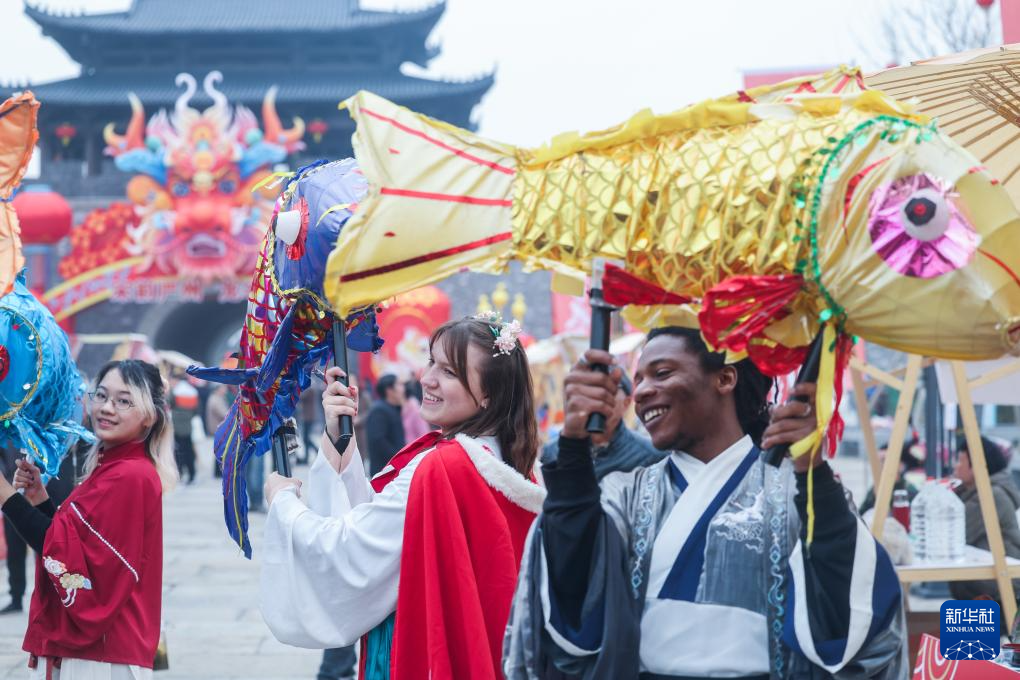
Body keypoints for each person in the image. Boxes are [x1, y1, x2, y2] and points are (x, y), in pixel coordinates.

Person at [504, 326, 906, 679]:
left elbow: (850, 609)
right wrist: (574, 444)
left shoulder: (794, 489)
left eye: (662, 373)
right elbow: (572, 580)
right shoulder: (625, 495)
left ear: (725, 378)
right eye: (638, 379)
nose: (640, 392)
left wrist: (812, 471)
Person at [260, 315, 544, 679]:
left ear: (490, 393)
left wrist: (284, 502)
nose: (426, 379)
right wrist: (339, 436)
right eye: (431, 362)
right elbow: (383, 530)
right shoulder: (513, 463)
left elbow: (350, 553)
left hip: (422, 651)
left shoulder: (441, 468)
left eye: (449, 372)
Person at [0, 359, 176, 679]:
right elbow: (71, 545)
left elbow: (65, 555)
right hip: (99, 652)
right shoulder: (114, 467)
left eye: (123, 401)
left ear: (149, 416)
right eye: (102, 395)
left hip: (102, 656)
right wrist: (40, 499)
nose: (107, 408)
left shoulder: (129, 476)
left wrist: (4, 493)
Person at [541, 373, 664, 479]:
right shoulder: (553, 452)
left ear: (626, 403)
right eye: (589, 390)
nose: (596, 400)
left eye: (607, 391)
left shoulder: (652, 456)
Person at [949, 436, 1020, 601]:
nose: (955, 467)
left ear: (977, 466)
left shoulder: (991, 496)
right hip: (989, 589)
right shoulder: (973, 492)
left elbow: (954, 534)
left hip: (1000, 592)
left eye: (960, 461)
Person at [364, 374, 406, 476]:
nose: (403, 388)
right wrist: (399, 458)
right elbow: (379, 440)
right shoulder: (379, 410)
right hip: (384, 472)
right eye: (399, 384)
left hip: (395, 469)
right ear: (389, 390)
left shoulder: (393, 408)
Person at [169, 375, 199, 484]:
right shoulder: (192, 391)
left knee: (178, 451)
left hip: (176, 425)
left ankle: (180, 473)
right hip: (187, 425)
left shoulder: (175, 391)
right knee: (189, 451)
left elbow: (169, 403)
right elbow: (196, 409)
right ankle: (192, 474)